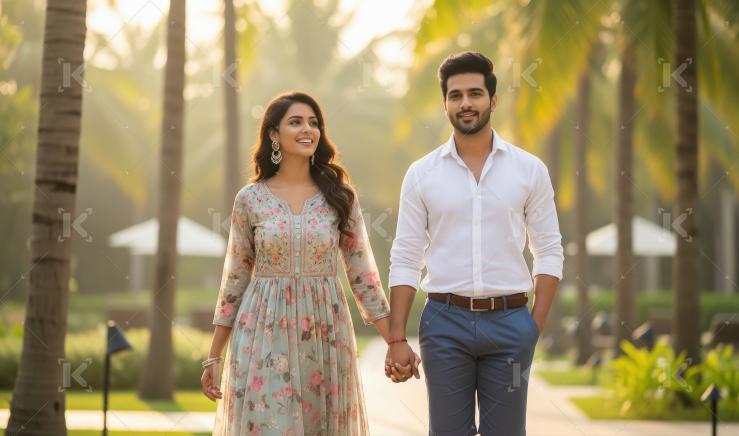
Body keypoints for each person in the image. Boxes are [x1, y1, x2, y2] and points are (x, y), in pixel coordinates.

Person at [200, 91, 416, 435]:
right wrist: (214, 355)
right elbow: (234, 280)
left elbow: (362, 274)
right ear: (274, 134)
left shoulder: (340, 196)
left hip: (325, 332)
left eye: (314, 123)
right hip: (262, 331)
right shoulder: (250, 199)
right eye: (296, 121)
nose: (308, 129)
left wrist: (395, 341)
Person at [385, 52, 564, 435]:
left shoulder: (529, 170)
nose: (465, 103)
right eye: (455, 95)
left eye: (475, 93)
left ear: (492, 100)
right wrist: (396, 338)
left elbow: (548, 249)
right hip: (444, 322)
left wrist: (535, 326)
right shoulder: (421, 175)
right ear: (445, 103)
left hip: (511, 323)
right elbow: (405, 256)